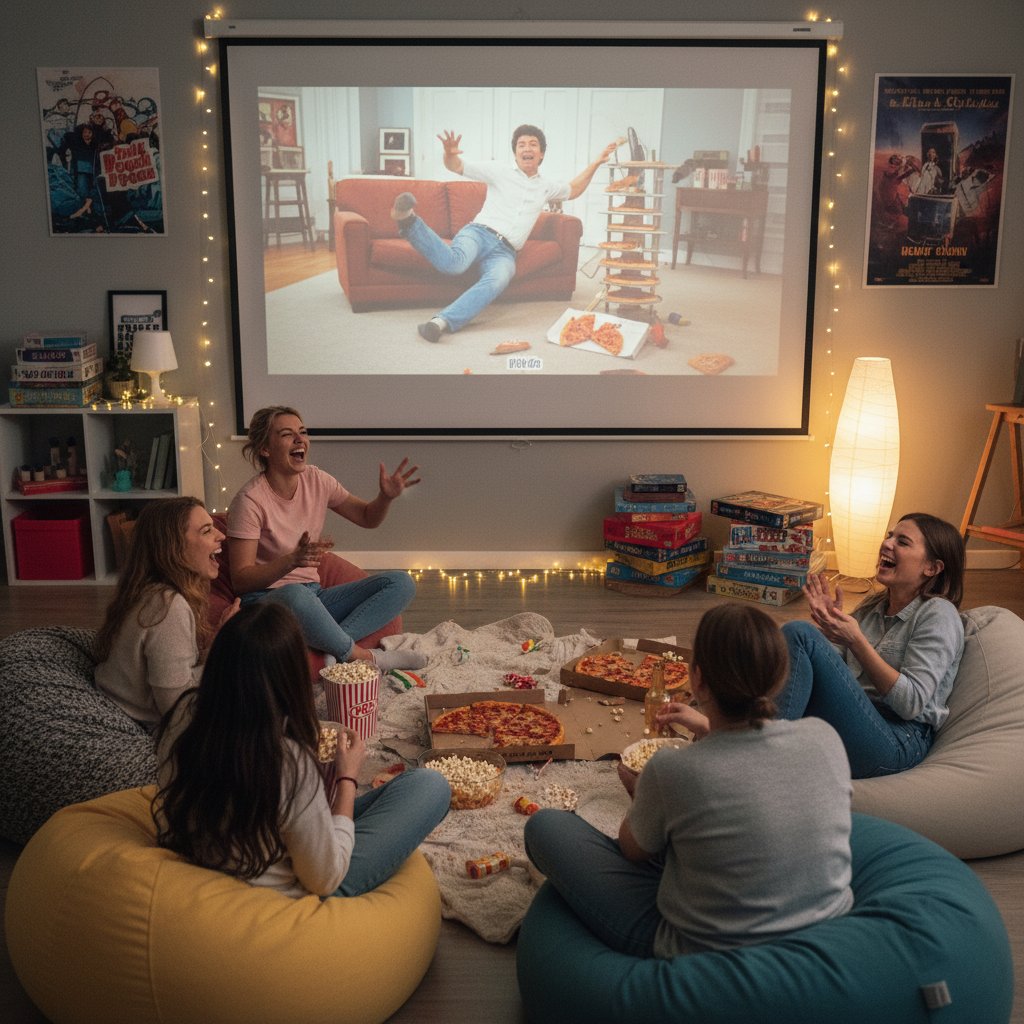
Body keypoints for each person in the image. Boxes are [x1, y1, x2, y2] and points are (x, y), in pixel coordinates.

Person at [524, 603, 853, 959]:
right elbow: (756, 768)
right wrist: (708, 727)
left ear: (697, 678)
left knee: (545, 827)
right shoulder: (825, 737)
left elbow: (633, 851)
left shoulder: (672, 768)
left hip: (702, 949)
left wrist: (641, 792)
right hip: (826, 930)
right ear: (780, 675)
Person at [153, 602, 450, 897]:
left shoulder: (185, 713)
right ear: (290, 678)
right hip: (291, 886)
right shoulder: (287, 759)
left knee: (397, 791)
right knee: (430, 785)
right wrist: (347, 778)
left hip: (213, 853)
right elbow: (325, 879)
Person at [227, 405, 426, 671]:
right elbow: (241, 581)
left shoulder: (317, 479)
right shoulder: (249, 501)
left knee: (401, 583)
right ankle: (366, 658)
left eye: (303, 432)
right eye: (287, 434)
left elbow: (367, 518)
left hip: (314, 599)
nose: (300, 440)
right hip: (267, 605)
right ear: (265, 448)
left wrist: (385, 498)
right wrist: (292, 561)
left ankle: (334, 649)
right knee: (296, 594)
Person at [776, 512, 966, 779]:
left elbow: (910, 703)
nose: (887, 544)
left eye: (903, 541)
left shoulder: (938, 613)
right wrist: (831, 630)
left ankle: (761, 754)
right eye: (890, 536)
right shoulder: (871, 607)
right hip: (858, 719)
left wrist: (855, 641)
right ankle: (746, 739)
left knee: (798, 633)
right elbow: (834, 673)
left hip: (897, 740)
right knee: (782, 638)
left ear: (932, 568)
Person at [390, 124, 620, 342]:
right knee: (455, 264)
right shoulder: (498, 170)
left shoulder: (546, 186)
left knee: (499, 278)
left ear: (541, 154)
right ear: (515, 152)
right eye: (521, 144)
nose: (527, 148)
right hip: (478, 234)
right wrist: (449, 153)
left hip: (505, 252)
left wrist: (597, 162)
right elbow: (456, 166)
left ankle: (440, 323)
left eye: (533, 144)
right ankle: (409, 222)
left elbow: (574, 189)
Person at [94, 496, 238, 730]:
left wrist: (219, 640)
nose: (221, 535)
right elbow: (176, 709)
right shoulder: (168, 606)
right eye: (205, 531)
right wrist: (225, 653)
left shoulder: (151, 591)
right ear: (175, 548)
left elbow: (178, 674)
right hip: (138, 728)